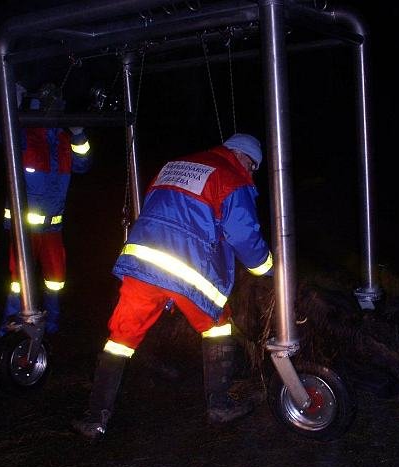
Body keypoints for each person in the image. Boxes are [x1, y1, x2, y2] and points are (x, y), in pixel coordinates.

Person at [72, 133, 273, 440]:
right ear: (245, 157)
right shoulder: (232, 178)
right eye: (252, 166)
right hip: (186, 267)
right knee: (218, 326)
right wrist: (269, 271)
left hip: (143, 262)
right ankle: (219, 406)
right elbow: (244, 235)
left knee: (121, 337)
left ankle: (95, 418)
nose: (251, 172)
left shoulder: (174, 166)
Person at [0, 83, 92, 336]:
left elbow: (83, 165)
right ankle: (10, 327)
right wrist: (14, 105)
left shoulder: (63, 138)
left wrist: (79, 134)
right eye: (49, 100)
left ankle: (52, 327)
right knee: (19, 281)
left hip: (53, 228)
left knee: (56, 281)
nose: (55, 105)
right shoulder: (24, 132)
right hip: (24, 228)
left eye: (58, 101)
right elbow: (3, 135)